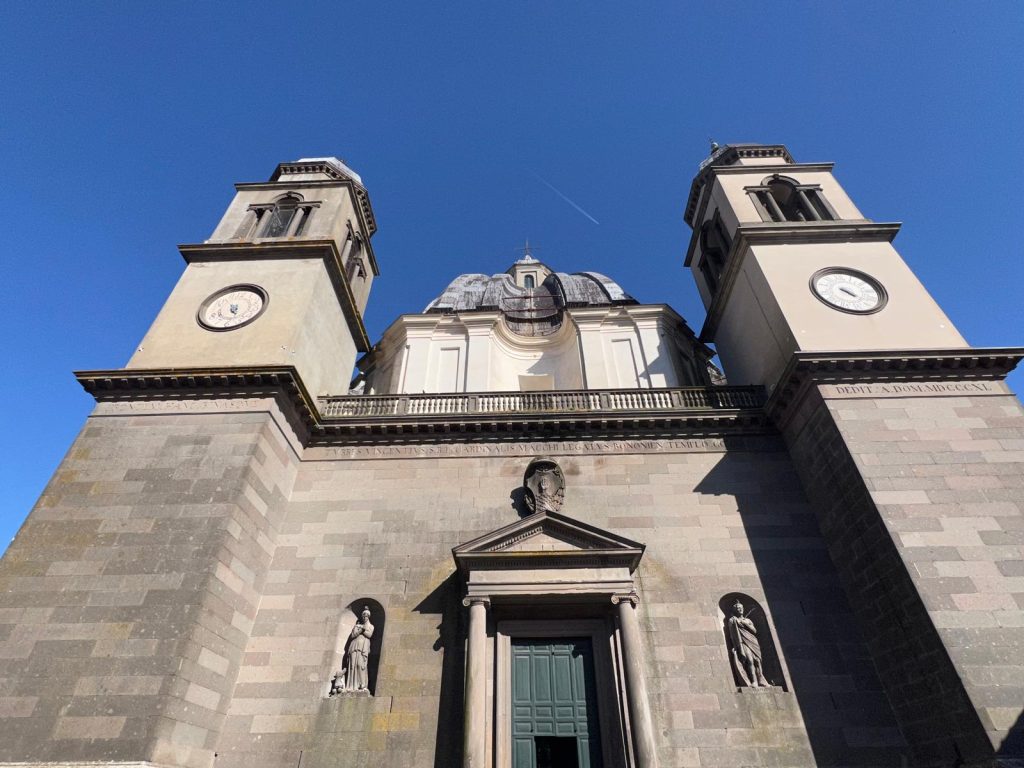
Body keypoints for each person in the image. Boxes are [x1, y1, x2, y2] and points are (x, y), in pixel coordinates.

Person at [727, 599, 770, 687]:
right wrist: (735, 645)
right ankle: (754, 681)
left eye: (741, 608)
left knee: (757, 661)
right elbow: (732, 634)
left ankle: (761, 680)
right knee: (749, 660)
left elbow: (754, 631)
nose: (740, 609)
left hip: (752, 640)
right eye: (738, 608)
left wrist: (745, 623)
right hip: (742, 642)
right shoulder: (732, 620)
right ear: (735, 610)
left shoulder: (748, 620)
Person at [345, 607, 375, 691]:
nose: (365, 617)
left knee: (360, 665)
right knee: (352, 665)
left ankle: (362, 685)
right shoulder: (357, 625)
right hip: (354, 646)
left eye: (366, 615)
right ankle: (351, 686)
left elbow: (369, 635)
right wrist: (359, 630)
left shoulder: (371, 626)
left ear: (368, 617)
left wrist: (363, 631)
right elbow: (352, 635)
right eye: (363, 615)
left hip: (363, 648)